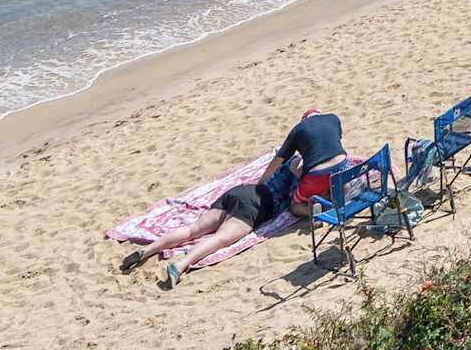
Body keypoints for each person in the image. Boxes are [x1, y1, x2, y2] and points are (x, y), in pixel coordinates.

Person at [123, 110, 345, 287]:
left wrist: (260, 182)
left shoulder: (289, 154)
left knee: (194, 229)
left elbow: (273, 165)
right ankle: (180, 266)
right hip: (258, 205)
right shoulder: (300, 166)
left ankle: (147, 250)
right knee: (220, 238)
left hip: (239, 191)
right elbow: (306, 191)